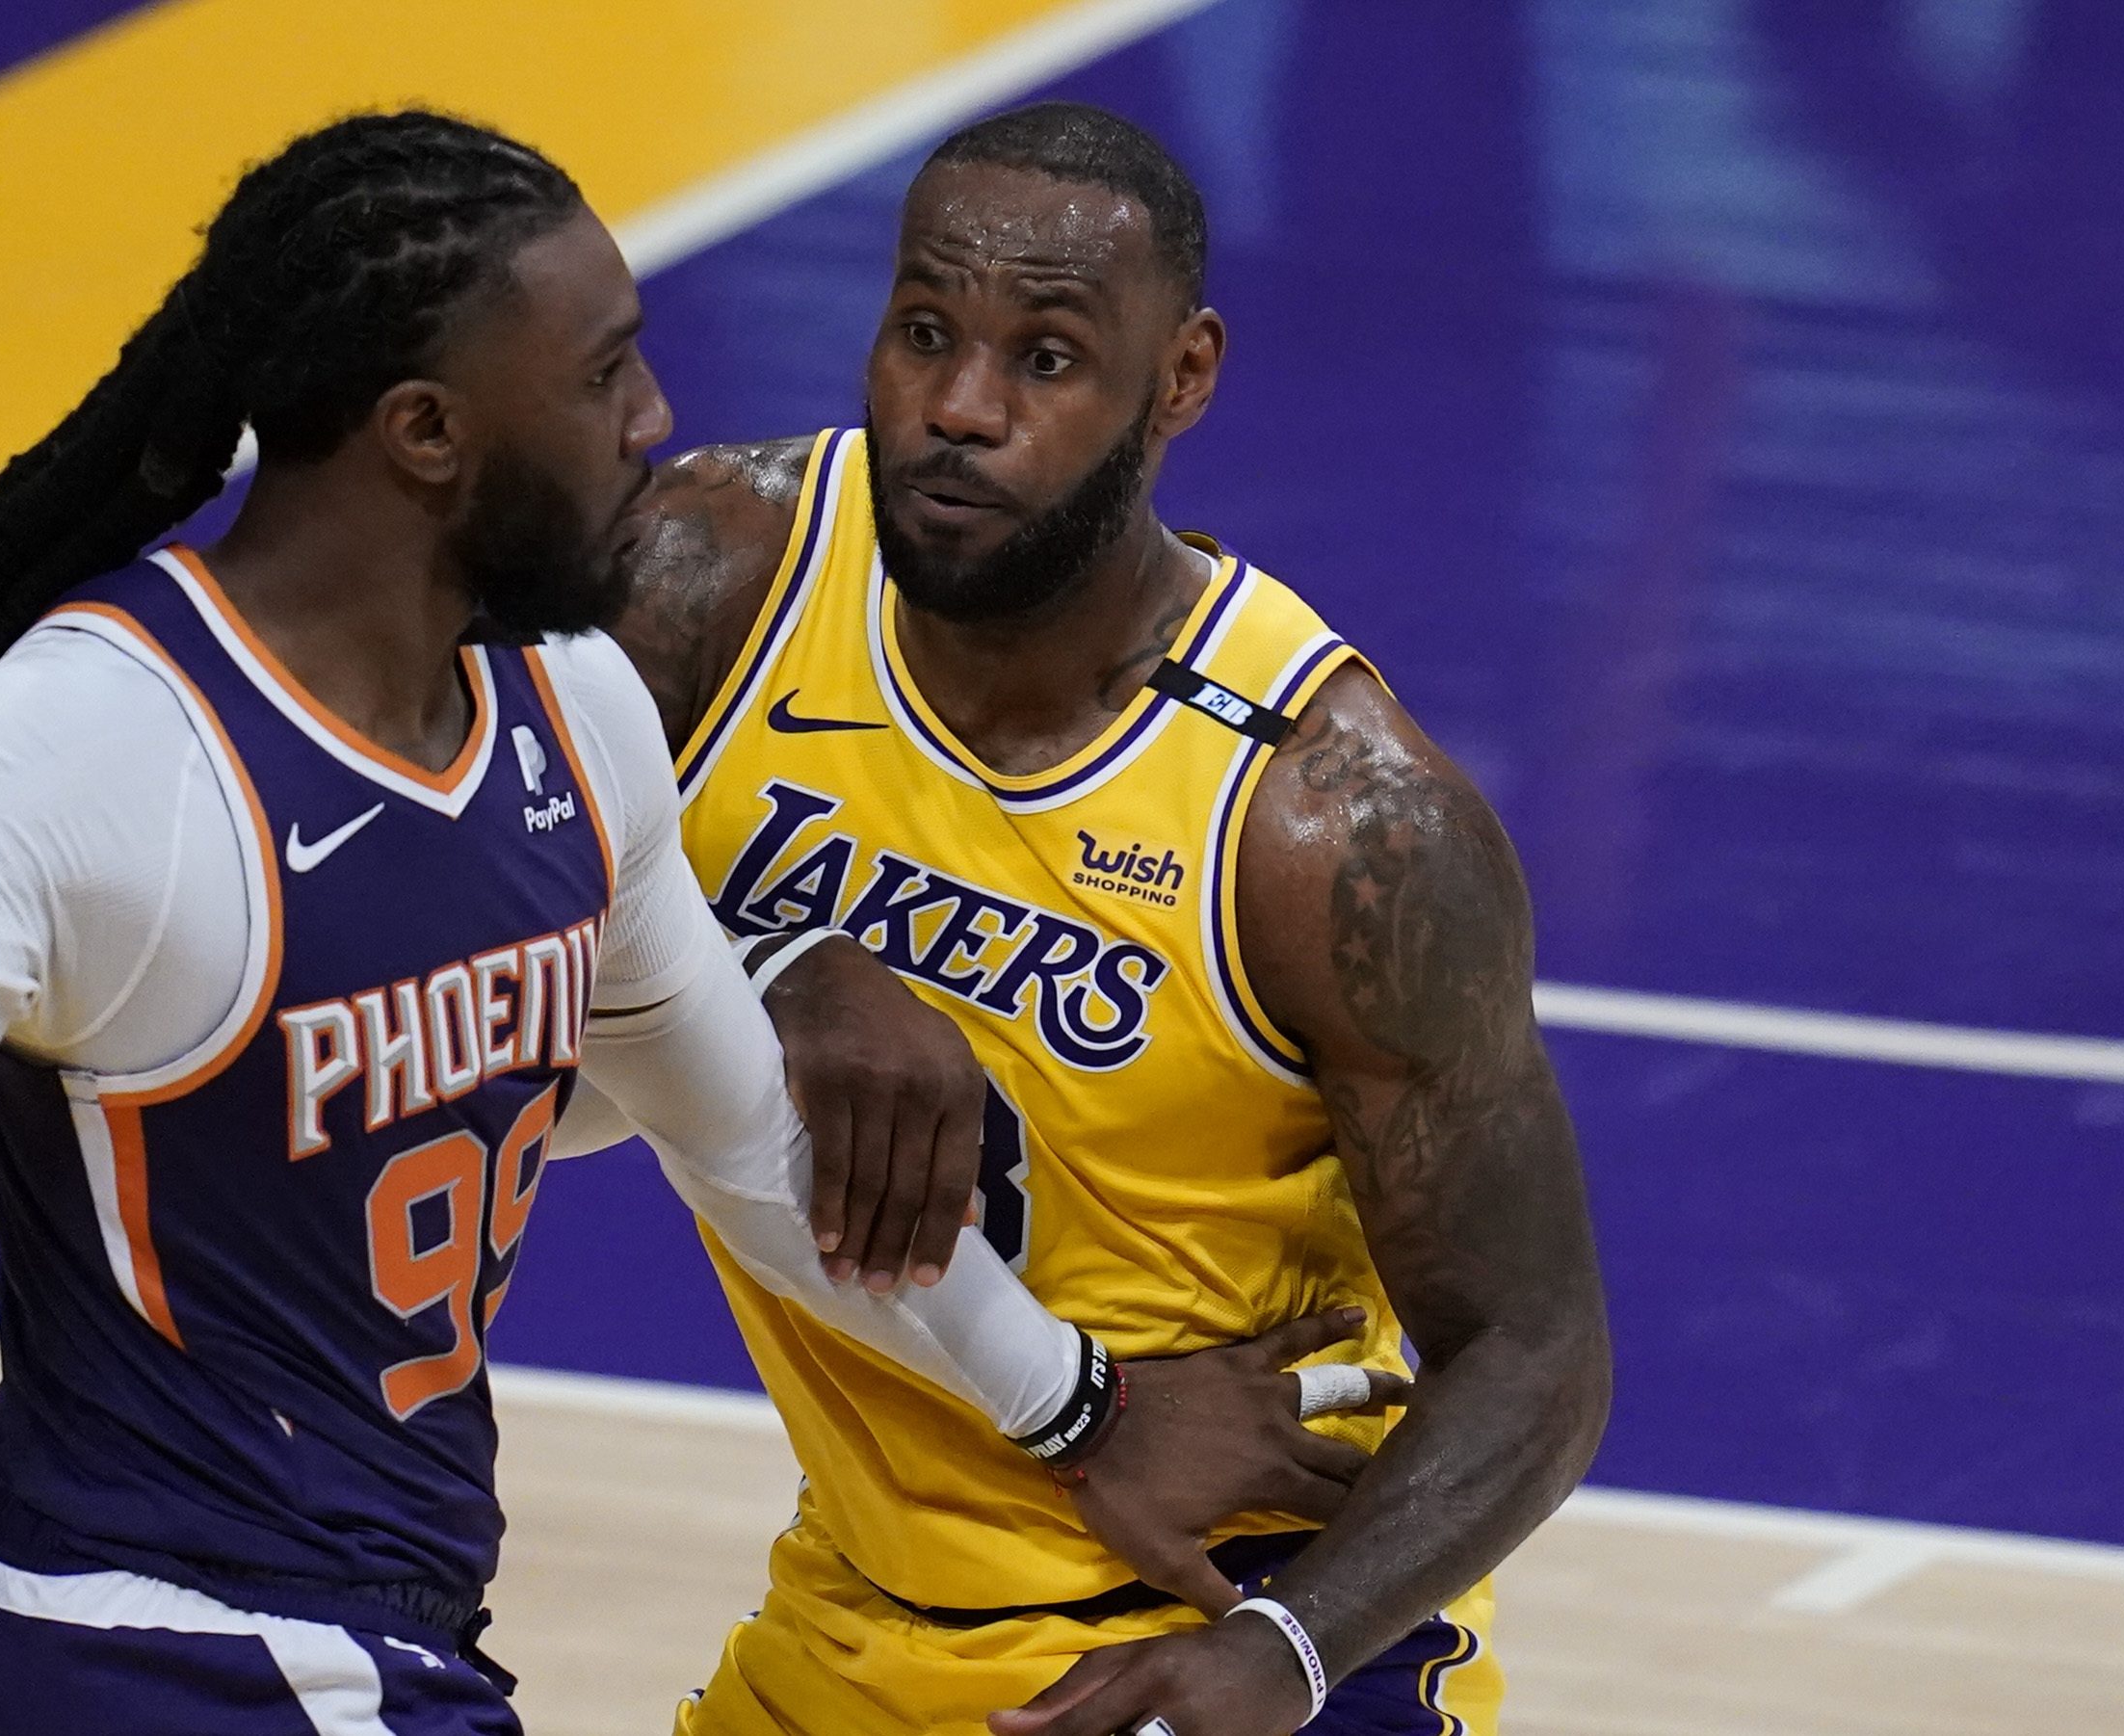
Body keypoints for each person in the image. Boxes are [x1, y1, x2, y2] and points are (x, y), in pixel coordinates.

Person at [0, 111, 1376, 1736]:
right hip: (172, 1650)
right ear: (424, 437)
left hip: (168, 1639)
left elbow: (742, 1135)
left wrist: (1082, 1407)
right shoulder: (77, 750)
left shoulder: (566, 714)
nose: (658, 422)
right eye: (607, 374)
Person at [579, 103, 1614, 1736]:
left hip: (1209, 1621)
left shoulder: (1332, 821)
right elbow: (452, 930)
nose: (961, 411)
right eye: (927, 333)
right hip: (861, 1606)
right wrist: (781, 963)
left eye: (1047, 358)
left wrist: (1279, 1650)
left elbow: (1540, 1348)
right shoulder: (713, 586)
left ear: (1182, 376)